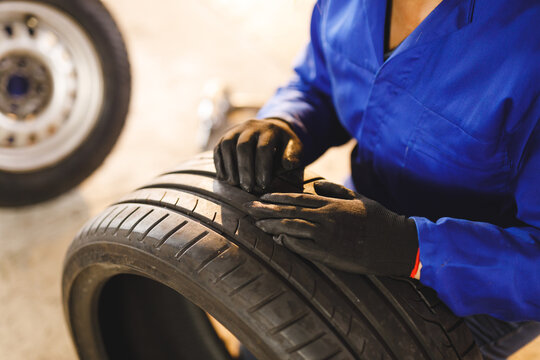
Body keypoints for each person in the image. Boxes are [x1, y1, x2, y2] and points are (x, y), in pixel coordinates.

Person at [213, 0, 540, 358]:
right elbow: (320, 80)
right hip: (359, 213)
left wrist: (409, 248)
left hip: (481, 280)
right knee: (272, 322)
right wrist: (285, 122)